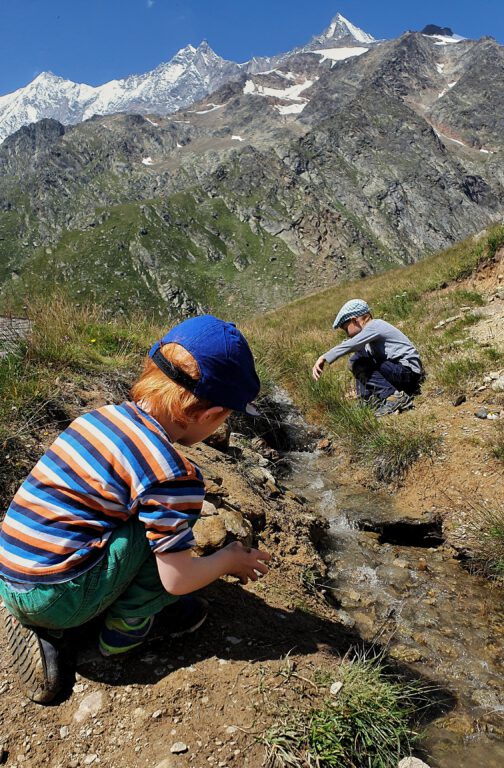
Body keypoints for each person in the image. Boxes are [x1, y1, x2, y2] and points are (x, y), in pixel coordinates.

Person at [0, 315, 271, 704]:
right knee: (157, 541)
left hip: (11, 568)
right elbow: (177, 579)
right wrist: (227, 559)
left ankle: (42, 620)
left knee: (132, 518)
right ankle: (120, 635)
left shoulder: (97, 418)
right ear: (210, 416)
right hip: (56, 596)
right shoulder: (173, 474)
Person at [312, 299, 424, 416]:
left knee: (359, 363)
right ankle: (369, 399)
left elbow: (352, 344)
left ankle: (394, 398)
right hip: (399, 372)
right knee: (358, 358)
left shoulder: (374, 326)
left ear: (354, 320)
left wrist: (324, 357)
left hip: (407, 373)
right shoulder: (370, 333)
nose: (347, 333)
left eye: (346, 329)